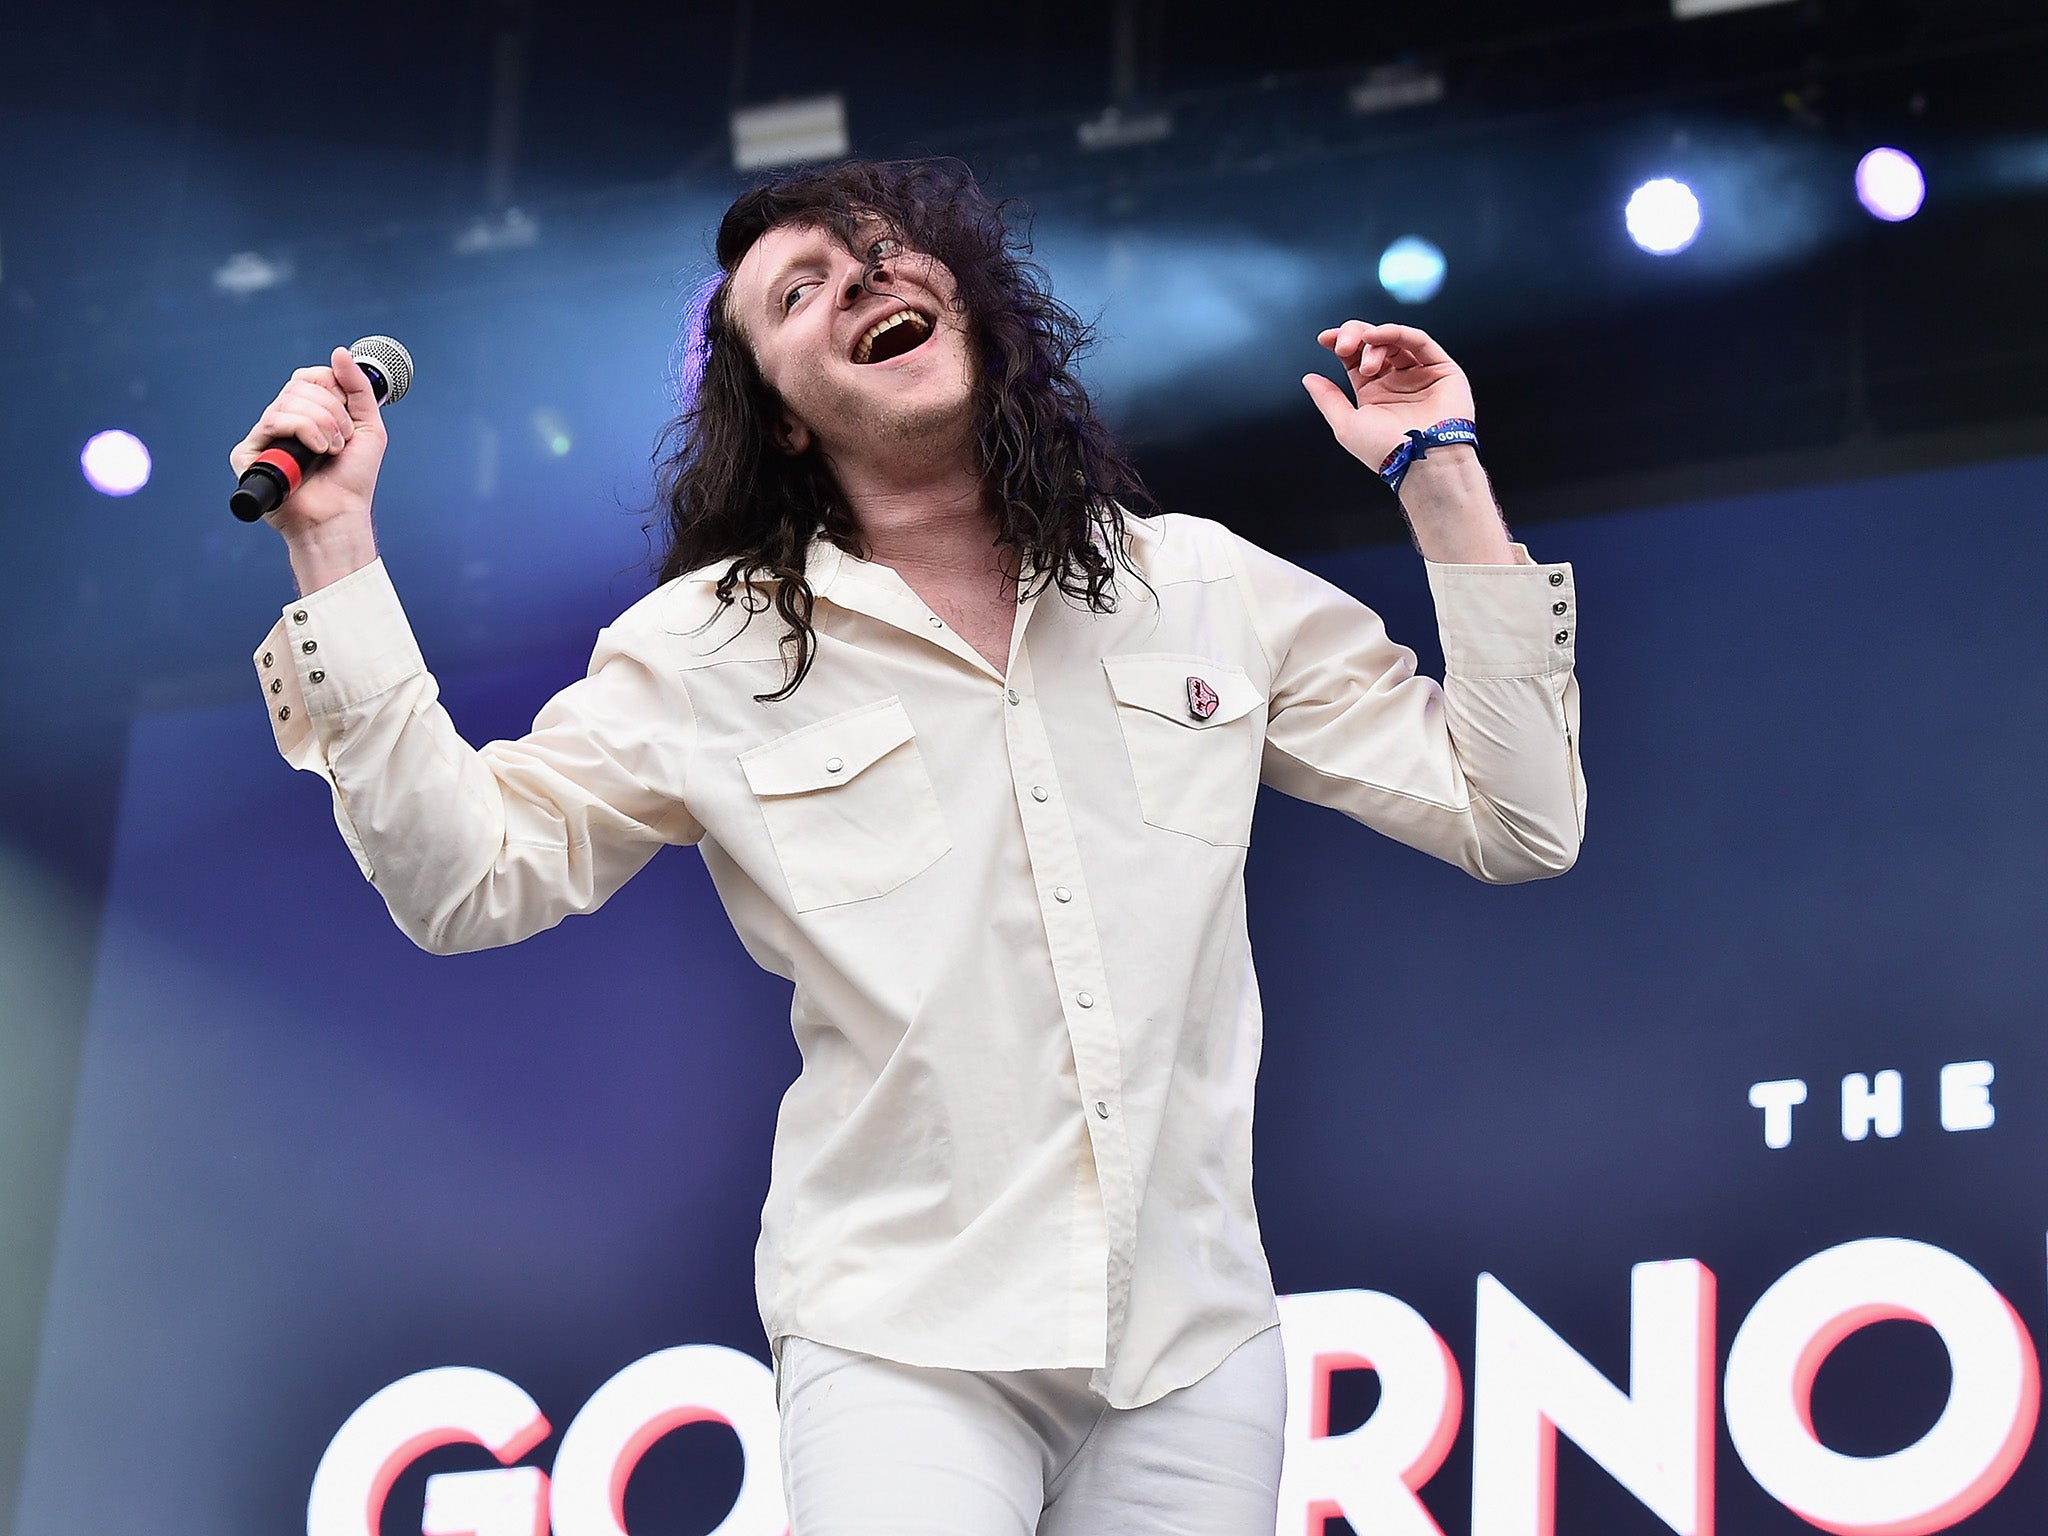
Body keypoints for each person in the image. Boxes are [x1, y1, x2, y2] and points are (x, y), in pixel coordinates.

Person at [236, 157, 1583, 1534]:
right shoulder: (707, 651)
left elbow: (1517, 815)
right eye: (801, 291)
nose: (862, 279)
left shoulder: (1196, 585)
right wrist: (332, 545)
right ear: (785, 420)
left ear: (974, 309)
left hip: (1195, 1345)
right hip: (901, 1341)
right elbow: (466, 881)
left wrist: (1440, 470)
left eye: (883, 251)